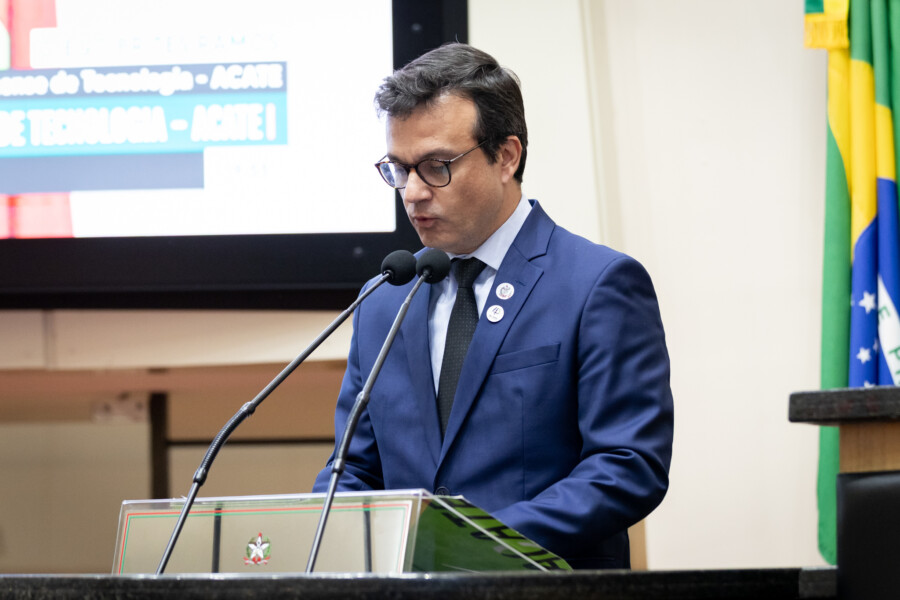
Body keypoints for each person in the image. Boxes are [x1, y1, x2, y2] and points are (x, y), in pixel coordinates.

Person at [314, 42, 673, 570]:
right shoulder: (384, 300)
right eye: (399, 169)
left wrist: (475, 546)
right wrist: (325, 532)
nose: (412, 193)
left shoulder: (597, 284)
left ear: (506, 155)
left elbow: (627, 465)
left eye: (436, 166)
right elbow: (355, 470)